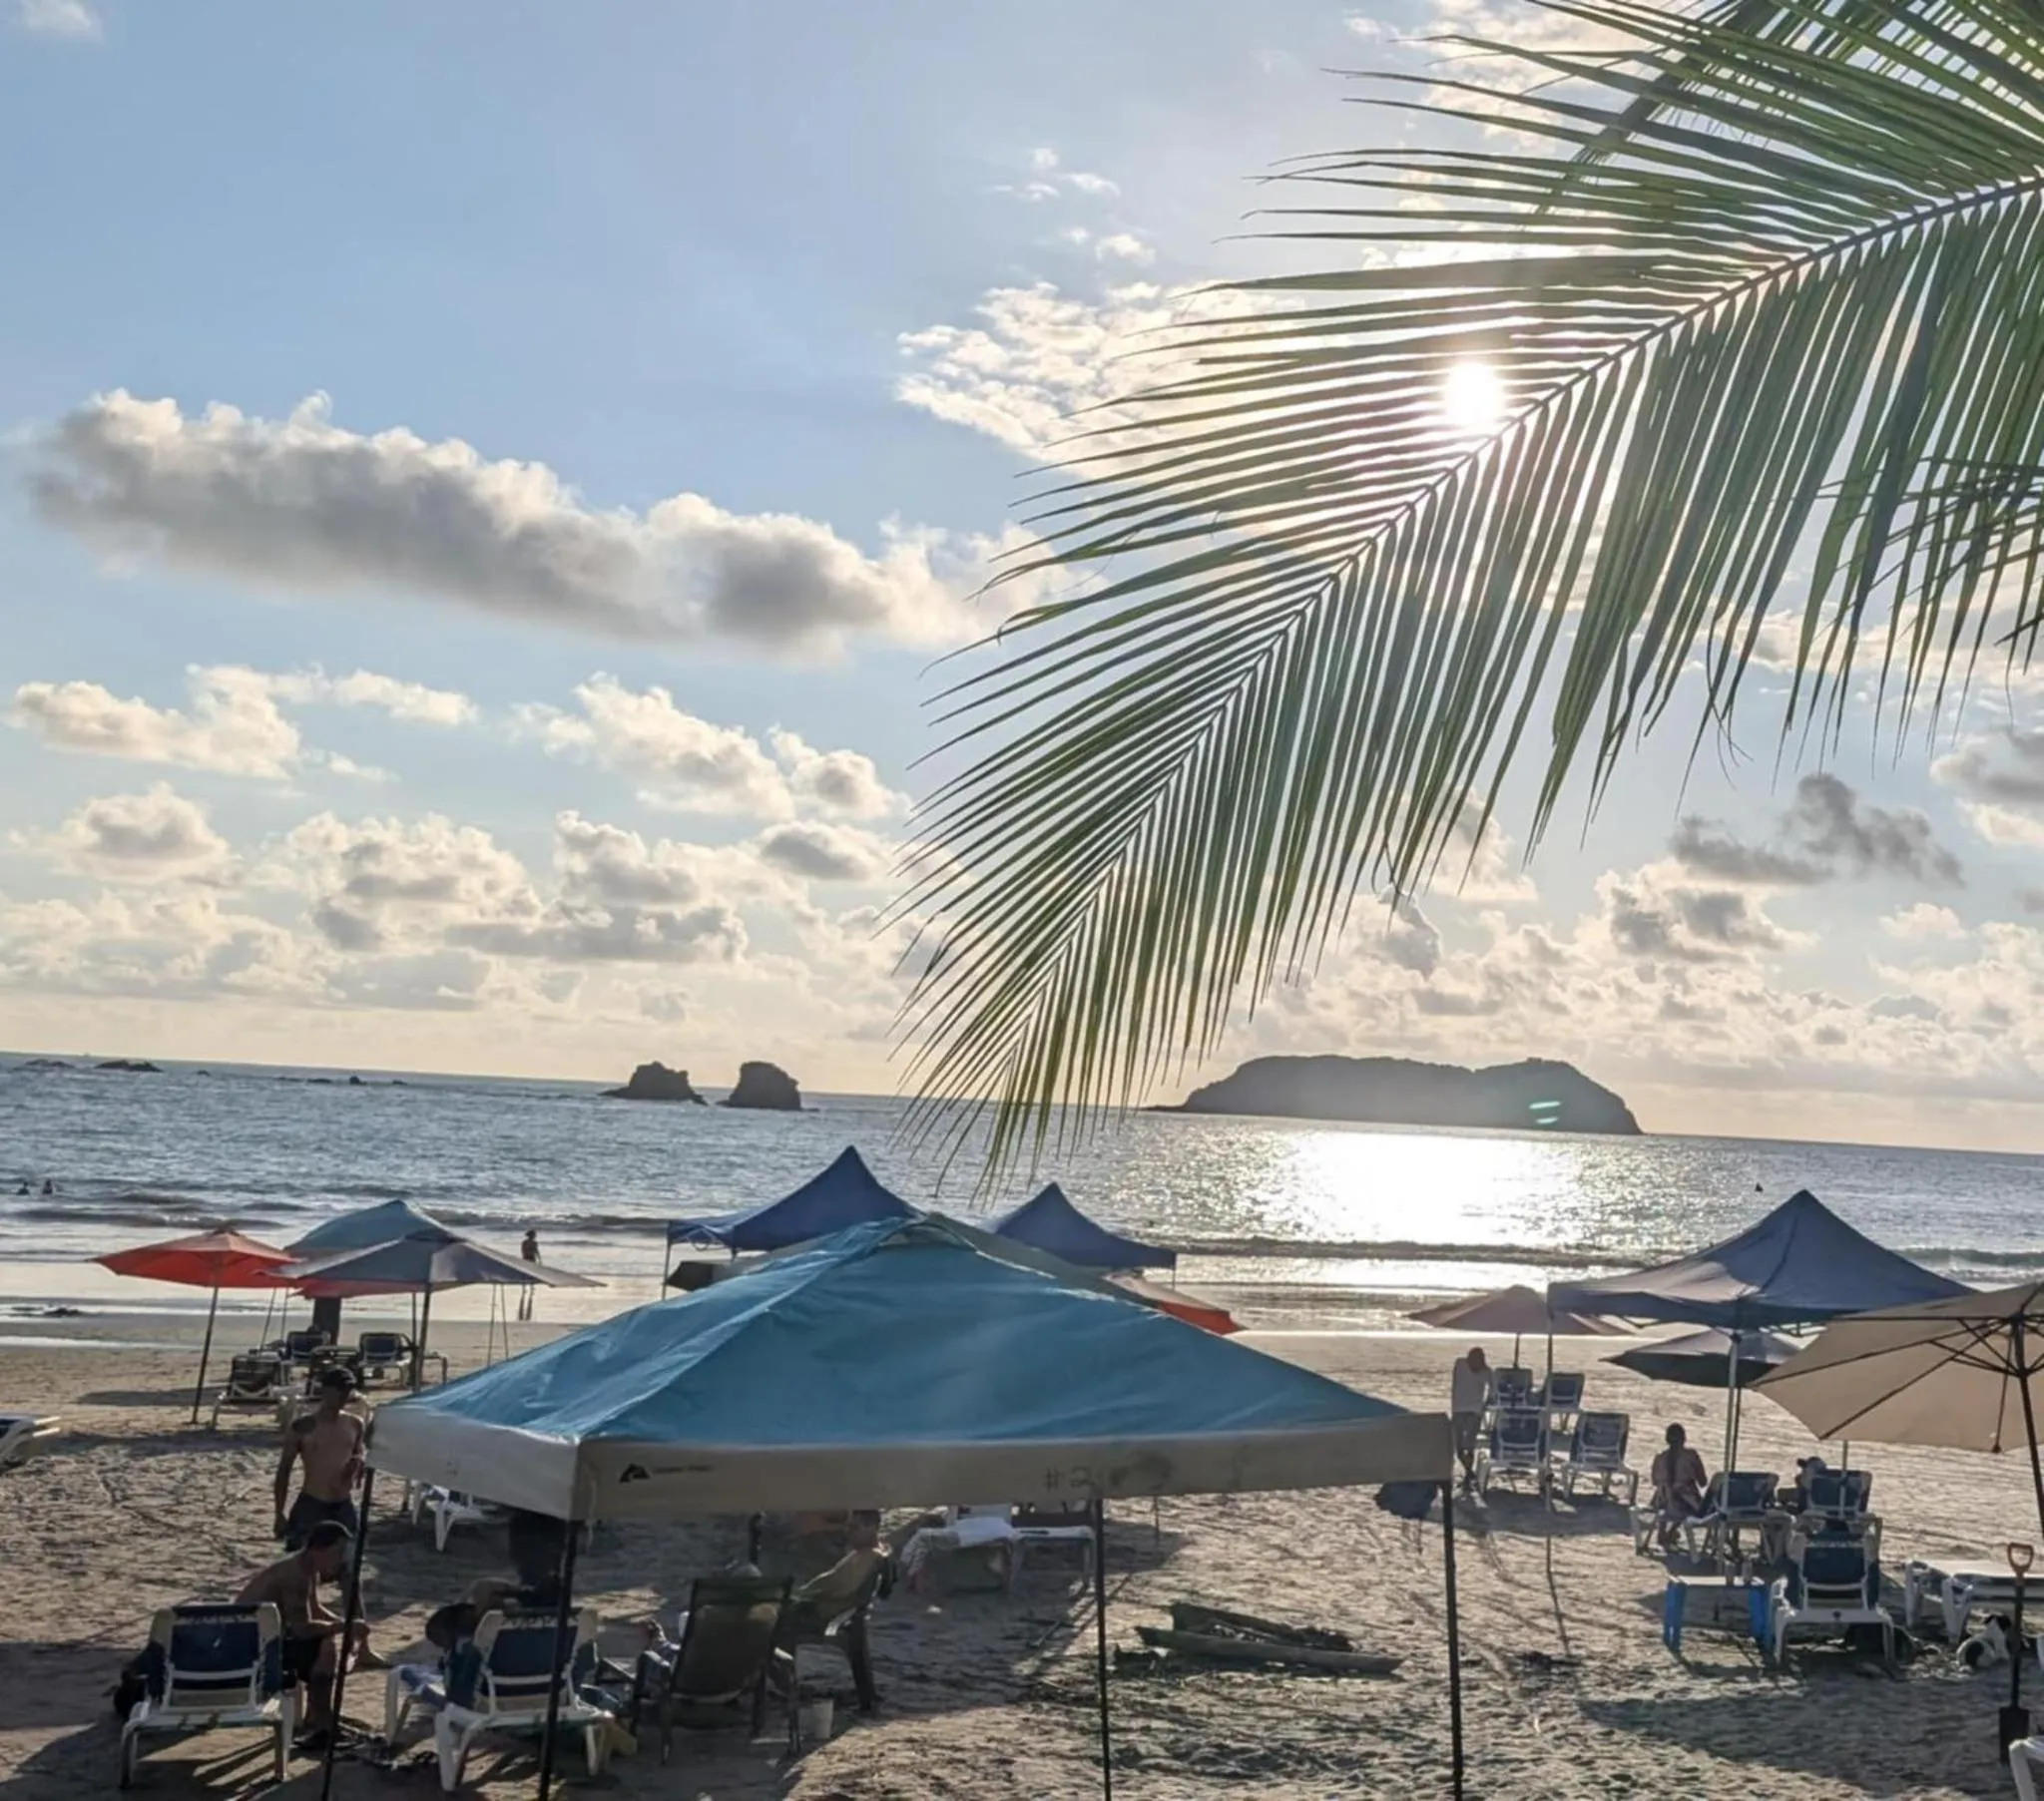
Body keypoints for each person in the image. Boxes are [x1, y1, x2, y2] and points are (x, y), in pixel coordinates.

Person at [236, 1520, 368, 1746]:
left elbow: (314, 1609)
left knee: (326, 1639)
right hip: (249, 1647)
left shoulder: (306, 1568)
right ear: (319, 1549)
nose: (340, 1559)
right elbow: (302, 1629)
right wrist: (344, 1627)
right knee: (325, 1647)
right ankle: (321, 1722)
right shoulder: (294, 1576)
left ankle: (318, 1717)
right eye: (336, 1552)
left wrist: (347, 1623)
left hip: (265, 1635)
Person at [274, 1368, 365, 1548]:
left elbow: (357, 1456)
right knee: (300, 1560)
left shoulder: (355, 1424)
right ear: (325, 1390)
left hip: (342, 1504)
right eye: (339, 1389)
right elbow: (284, 1470)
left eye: (347, 1389)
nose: (344, 1394)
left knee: (348, 1559)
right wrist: (279, 1512)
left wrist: (357, 1466)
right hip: (313, 1502)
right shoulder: (303, 1427)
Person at [1649, 1422, 1709, 1550]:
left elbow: (1654, 1481)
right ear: (1684, 1439)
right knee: (1688, 1497)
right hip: (1685, 1502)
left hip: (1661, 1500)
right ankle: (1671, 1531)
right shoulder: (1691, 1456)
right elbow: (1703, 1482)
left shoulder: (1659, 1457)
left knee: (1670, 1492)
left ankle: (1664, 1530)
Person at [1449, 1347, 1492, 1493]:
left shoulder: (1461, 1364)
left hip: (1464, 1410)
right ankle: (1469, 1473)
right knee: (1465, 1445)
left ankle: (1469, 1474)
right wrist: (1486, 1404)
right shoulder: (1483, 1371)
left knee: (1464, 1445)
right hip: (1468, 1410)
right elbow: (1493, 1389)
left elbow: (1492, 1389)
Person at [518, 1229, 540, 1321]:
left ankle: (526, 1286)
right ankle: (530, 1286)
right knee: (531, 1273)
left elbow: (524, 1251)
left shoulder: (525, 1242)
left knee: (527, 1272)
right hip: (530, 1258)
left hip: (527, 1258)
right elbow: (536, 1251)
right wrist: (539, 1258)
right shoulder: (533, 1243)